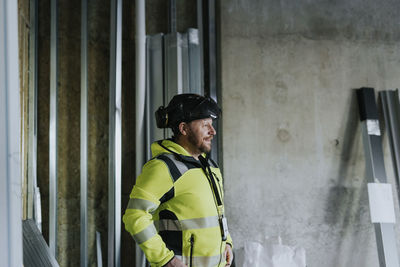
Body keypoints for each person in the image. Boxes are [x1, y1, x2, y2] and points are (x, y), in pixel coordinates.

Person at [123, 94, 233, 267]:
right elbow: (134, 216)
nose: (213, 131)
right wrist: (165, 259)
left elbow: (217, 213)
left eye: (211, 125)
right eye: (205, 125)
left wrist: (227, 242)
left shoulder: (210, 166)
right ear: (184, 129)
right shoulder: (164, 167)